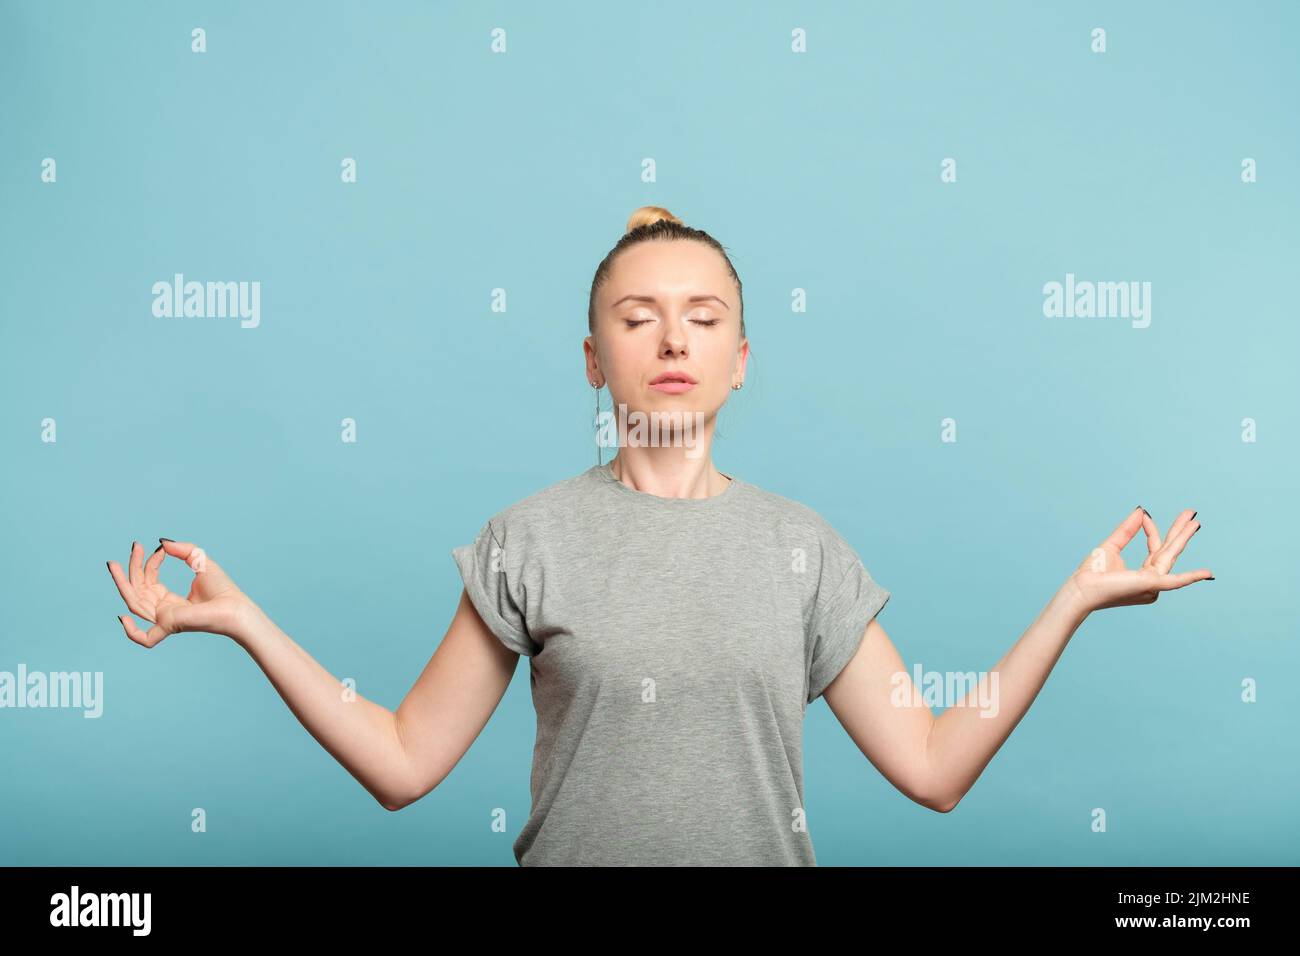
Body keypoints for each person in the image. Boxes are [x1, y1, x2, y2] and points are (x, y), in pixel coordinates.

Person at [105, 206, 1214, 866]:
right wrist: (244, 620)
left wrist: (1067, 603)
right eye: (636, 317)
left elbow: (932, 766)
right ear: (593, 357)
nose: (671, 337)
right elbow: (402, 762)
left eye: (704, 316)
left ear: (741, 357)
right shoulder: (524, 539)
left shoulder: (803, 548)